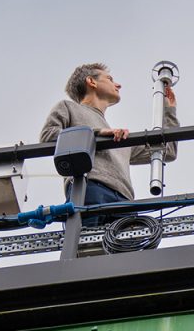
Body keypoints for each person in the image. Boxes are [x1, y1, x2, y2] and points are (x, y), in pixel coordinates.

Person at [40, 62, 177, 227]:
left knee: (126, 251)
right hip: (89, 188)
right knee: (86, 248)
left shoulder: (119, 139)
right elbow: (48, 136)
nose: (118, 84)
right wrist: (96, 133)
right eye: (110, 79)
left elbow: (168, 151)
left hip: (125, 201)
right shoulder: (69, 108)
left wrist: (170, 112)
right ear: (92, 82)